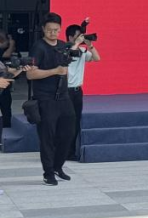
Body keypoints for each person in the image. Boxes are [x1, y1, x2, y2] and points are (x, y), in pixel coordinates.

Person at [27, 13, 77, 185]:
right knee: (47, 137)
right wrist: (55, 71)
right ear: (43, 29)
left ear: (60, 29)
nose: (53, 33)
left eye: (56, 30)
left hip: (63, 97)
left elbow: (66, 68)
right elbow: (30, 74)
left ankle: (57, 166)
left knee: (68, 133)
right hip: (45, 98)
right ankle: (48, 173)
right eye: (49, 30)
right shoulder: (38, 47)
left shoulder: (63, 45)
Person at [63, 24, 100, 162]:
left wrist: (90, 45)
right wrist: (76, 44)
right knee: (65, 121)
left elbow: (97, 58)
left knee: (76, 121)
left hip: (78, 91)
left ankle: (71, 152)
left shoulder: (83, 51)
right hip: (66, 91)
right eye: (78, 36)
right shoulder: (64, 50)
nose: (81, 38)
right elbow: (66, 58)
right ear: (70, 37)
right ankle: (61, 151)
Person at [0, 30, 17, 129]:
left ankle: (6, 127)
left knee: (6, 108)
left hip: (4, 81)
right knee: (5, 108)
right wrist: (11, 43)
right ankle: (6, 127)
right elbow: (6, 54)